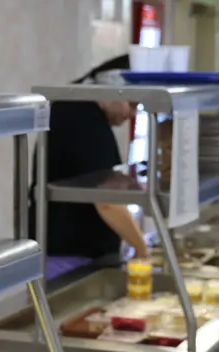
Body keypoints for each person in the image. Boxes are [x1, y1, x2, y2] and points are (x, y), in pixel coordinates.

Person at [28, 55, 148, 261]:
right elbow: (107, 201)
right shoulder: (84, 118)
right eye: (132, 104)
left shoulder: (76, 109)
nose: (132, 114)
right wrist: (142, 249)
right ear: (112, 91)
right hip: (69, 253)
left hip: (66, 247)